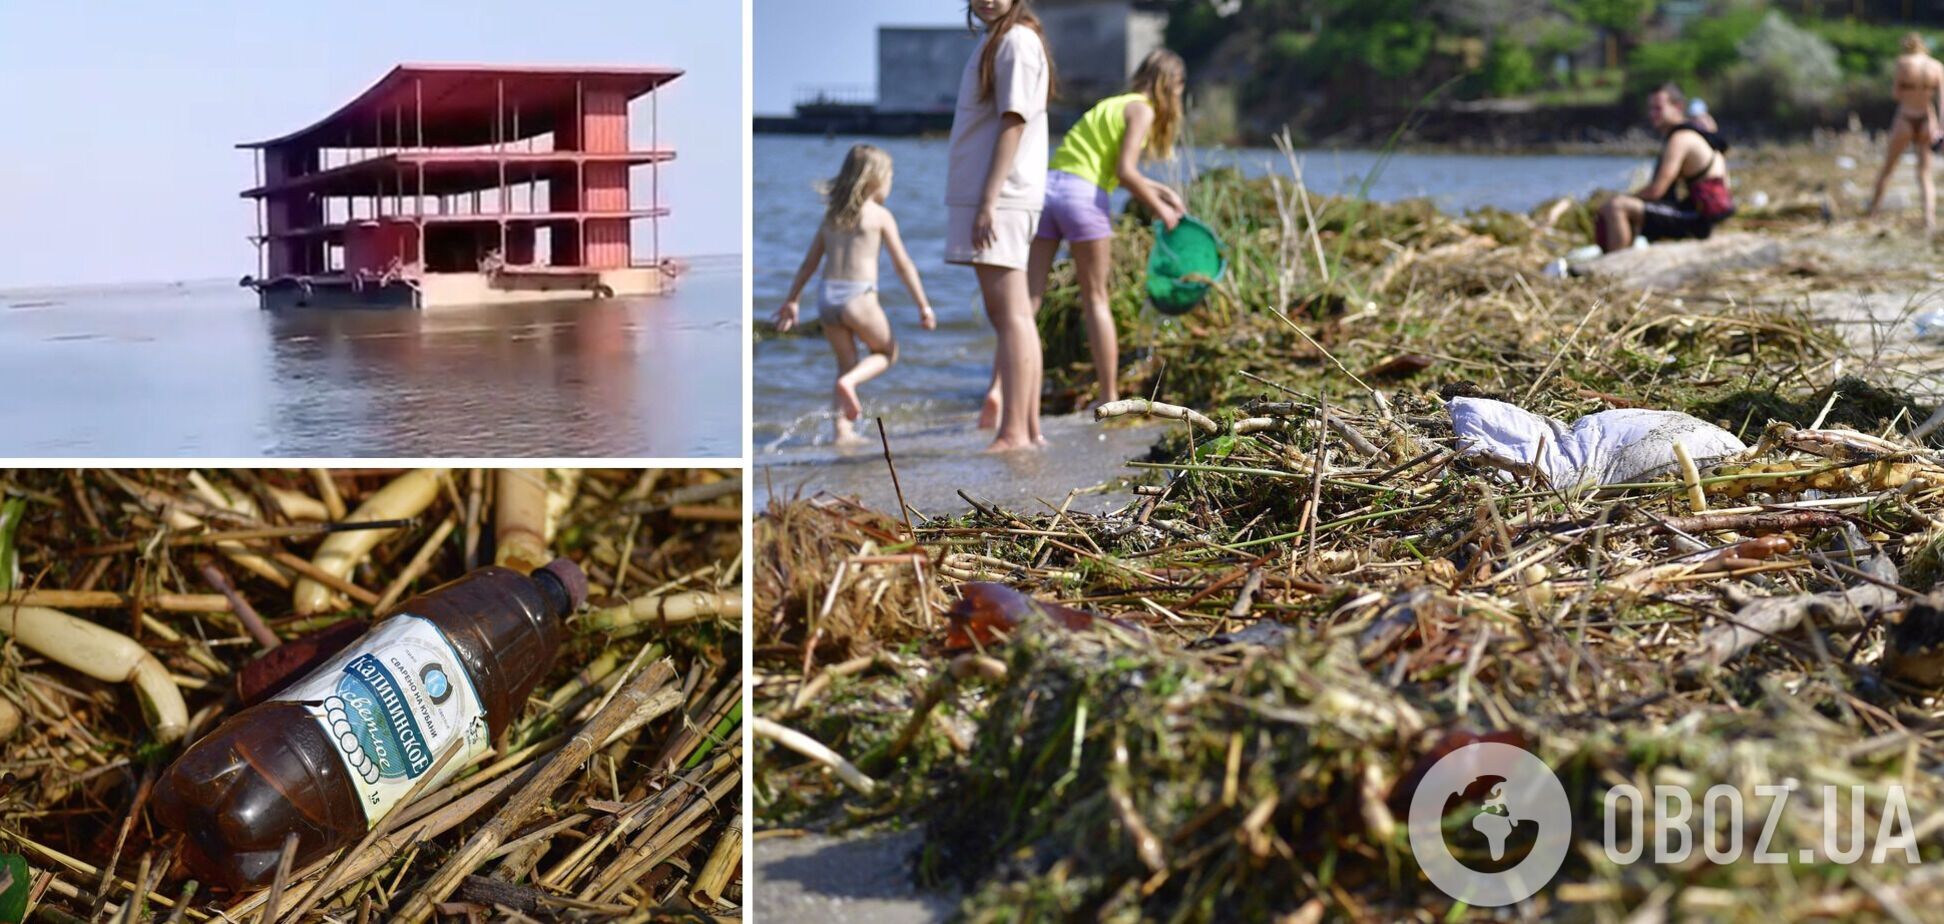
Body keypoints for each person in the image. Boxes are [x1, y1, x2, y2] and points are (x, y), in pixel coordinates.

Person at [984, 48, 1187, 418]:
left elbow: (1105, 167)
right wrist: (1162, 211)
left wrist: (1160, 191)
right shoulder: (1143, 109)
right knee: (1095, 298)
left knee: (1027, 301)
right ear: (1171, 85)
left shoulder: (1112, 105)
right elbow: (1125, 171)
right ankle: (1108, 396)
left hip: (1047, 190)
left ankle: (998, 389)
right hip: (1082, 199)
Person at [772, 144, 936, 446]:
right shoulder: (880, 216)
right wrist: (923, 305)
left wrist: (792, 300)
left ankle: (841, 431)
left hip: (827, 298)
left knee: (845, 363)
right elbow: (903, 265)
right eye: (890, 177)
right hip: (859, 297)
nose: (891, 183)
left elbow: (809, 264)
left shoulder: (831, 216)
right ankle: (849, 384)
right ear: (875, 179)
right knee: (887, 353)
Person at [946, 0, 1054, 452]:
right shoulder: (1003, 39)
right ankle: (1028, 429)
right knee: (1015, 315)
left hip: (1001, 196)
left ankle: (1014, 432)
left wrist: (988, 200)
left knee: (1010, 316)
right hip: (1000, 194)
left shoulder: (1016, 41)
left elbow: (1014, 120)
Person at [1595, 84, 1735, 253]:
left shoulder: (1680, 139)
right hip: (1703, 215)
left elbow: (1656, 191)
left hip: (1700, 220)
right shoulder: (1693, 133)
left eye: (1658, 108)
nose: (1652, 114)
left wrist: (1625, 198)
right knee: (1629, 205)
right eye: (1650, 109)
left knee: (1616, 206)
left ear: (1678, 107)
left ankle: (1616, 262)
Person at [1867, 32, 1944, 229]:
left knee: (1888, 168)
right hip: (1927, 120)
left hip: (1906, 118)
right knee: (1925, 173)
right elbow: (1942, 101)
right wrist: (1941, 128)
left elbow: (1896, 94)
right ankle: (1929, 219)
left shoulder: (1903, 63)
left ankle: (1873, 213)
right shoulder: (1937, 66)